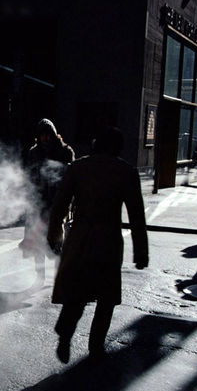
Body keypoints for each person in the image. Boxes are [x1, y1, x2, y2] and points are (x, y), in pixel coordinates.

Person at [46, 126, 148, 363]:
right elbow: (136, 216)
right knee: (106, 297)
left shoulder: (78, 167)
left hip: (80, 238)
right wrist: (141, 252)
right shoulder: (126, 172)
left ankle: (65, 333)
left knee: (77, 292)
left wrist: (54, 235)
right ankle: (96, 346)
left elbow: (59, 206)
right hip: (109, 241)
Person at [20, 118, 75, 285]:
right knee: (37, 243)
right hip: (38, 204)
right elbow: (29, 177)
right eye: (43, 135)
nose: (46, 138)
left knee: (58, 242)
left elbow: (72, 177)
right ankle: (40, 277)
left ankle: (60, 276)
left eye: (48, 134)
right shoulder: (34, 152)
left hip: (58, 204)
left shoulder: (65, 151)